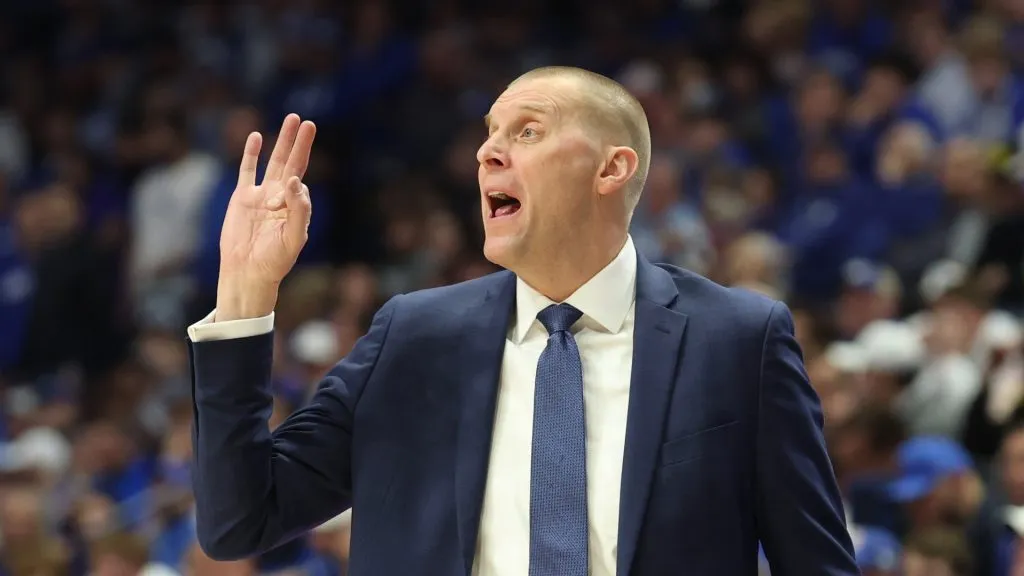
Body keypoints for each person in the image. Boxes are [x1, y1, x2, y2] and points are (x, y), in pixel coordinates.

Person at [187, 66, 857, 575]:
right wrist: (246, 294)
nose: (487, 153)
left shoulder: (738, 340)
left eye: (526, 132)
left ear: (611, 168)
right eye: (489, 136)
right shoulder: (413, 338)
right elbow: (239, 520)